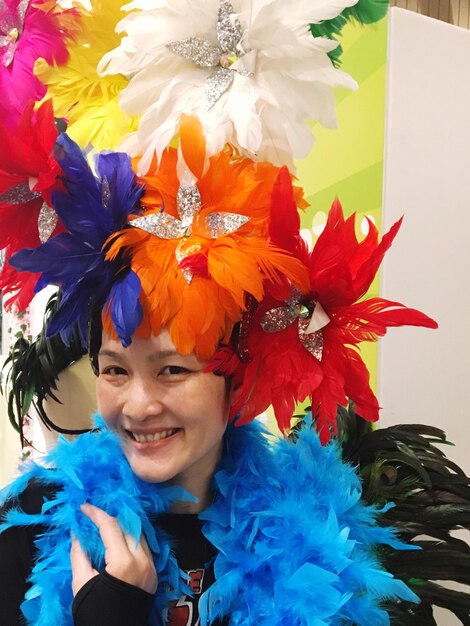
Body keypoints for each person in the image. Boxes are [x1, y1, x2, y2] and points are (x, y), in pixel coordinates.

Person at [0, 1, 462, 624]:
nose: (136, 405)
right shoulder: (37, 523)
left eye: (171, 371)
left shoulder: (312, 546)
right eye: (113, 370)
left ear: (235, 379)